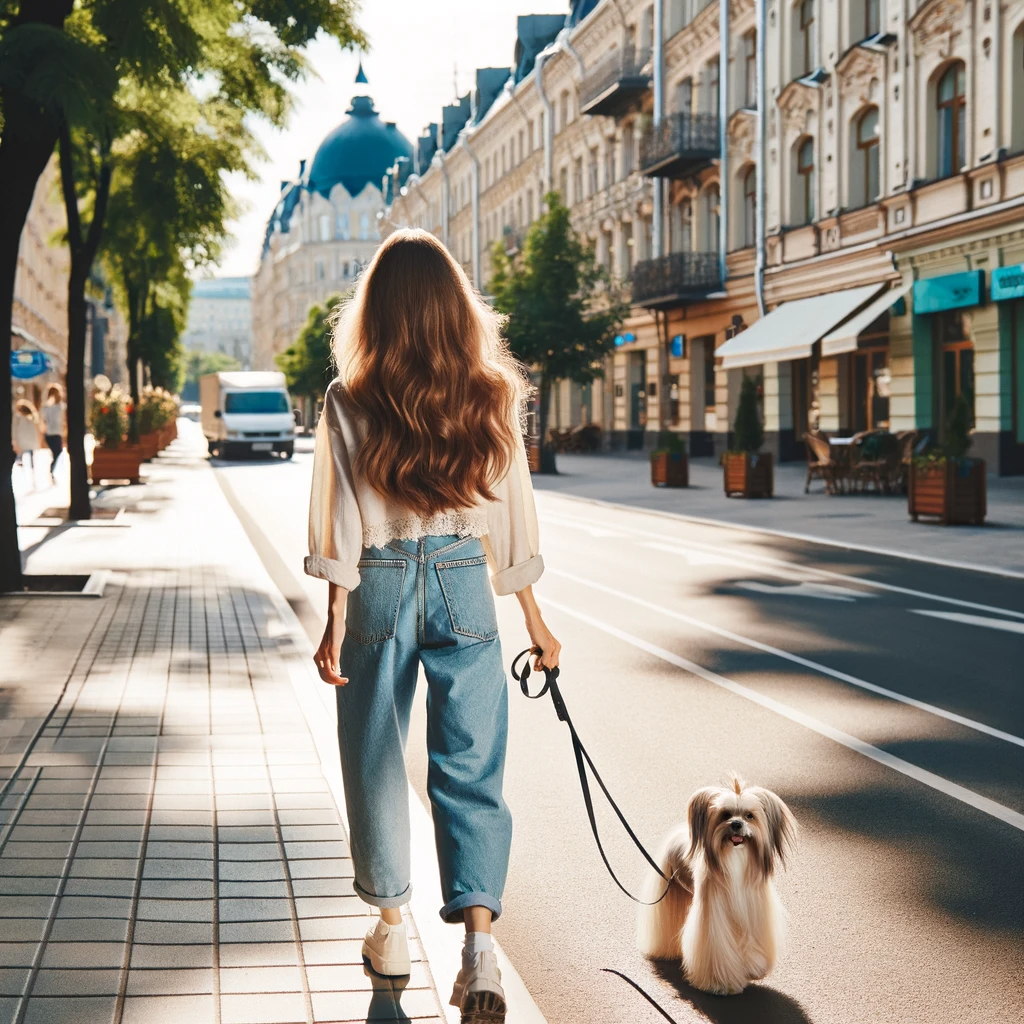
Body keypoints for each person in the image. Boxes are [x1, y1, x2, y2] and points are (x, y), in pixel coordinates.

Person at [305, 229, 560, 1024]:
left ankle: (391, 930)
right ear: (456, 305)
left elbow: (339, 519)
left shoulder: (350, 397)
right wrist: (535, 621)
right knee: (471, 766)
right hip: (462, 579)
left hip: (378, 585)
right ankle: (479, 951)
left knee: (376, 759)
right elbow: (512, 513)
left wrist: (333, 615)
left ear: (375, 308)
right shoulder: (492, 389)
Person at [12, 398, 43, 487]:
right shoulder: (33, 417)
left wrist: (15, 441)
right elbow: (37, 430)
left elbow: (15, 430)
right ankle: (31, 478)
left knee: (20, 460)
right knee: (29, 460)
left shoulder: (19, 418)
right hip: (30, 442)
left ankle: (25, 479)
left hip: (22, 442)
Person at [42, 384, 66, 482]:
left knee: (57, 453)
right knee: (57, 453)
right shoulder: (48, 407)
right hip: (51, 433)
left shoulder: (60, 406)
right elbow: (44, 420)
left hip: (56, 432)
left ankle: (53, 472)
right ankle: (52, 472)